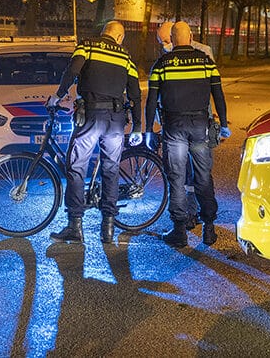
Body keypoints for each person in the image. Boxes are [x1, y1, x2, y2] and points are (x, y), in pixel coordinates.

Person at [45, 20, 143, 244]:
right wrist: (137, 125)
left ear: (104, 33)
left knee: (77, 167)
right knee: (111, 169)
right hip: (115, 121)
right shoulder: (126, 57)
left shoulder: (87, 46)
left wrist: (58, 96)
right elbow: (135, 94)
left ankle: (75, 226)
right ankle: (107, 229)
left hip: (90, 117)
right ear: (119, 38)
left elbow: (72, 71)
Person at [145, 21, 230, 248]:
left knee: (177, 178)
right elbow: (218, 95)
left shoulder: (162, 64)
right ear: (190, 35)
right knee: (203, 176)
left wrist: (147, 130)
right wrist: (222, 123)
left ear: (172, 39)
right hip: (200, 125)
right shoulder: (206, 61)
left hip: (174, 127)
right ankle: (209, 228)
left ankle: (179, 230)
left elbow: (152, 100)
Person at [155, 21, 214, 231]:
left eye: (166, 41)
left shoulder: (203, 52)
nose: (164, 45)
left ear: (175, 36)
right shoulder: (164, 59)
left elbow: (209, 89)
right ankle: (191, 217)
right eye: (161, 42)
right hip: (180, 122)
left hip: (196, 120)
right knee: (183, 172)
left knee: (197, 172)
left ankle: (195, 217)